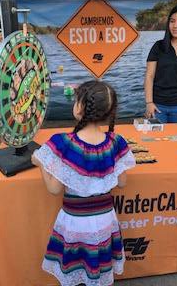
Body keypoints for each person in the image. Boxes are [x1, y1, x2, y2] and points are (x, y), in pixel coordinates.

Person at [31, 80, 136, 286]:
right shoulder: (117, 141)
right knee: (97, 264)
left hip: (75, 221)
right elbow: (122, 182)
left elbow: (54, 189)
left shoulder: (63, 143)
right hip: (106, 219)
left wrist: (41, 162)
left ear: (80, 107)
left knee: (75, 264)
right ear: (108, 112)